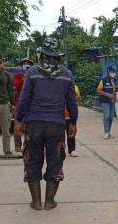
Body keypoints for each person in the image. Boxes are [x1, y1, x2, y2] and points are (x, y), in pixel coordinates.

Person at [15, 38, 78, 210]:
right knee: (55, 161)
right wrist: (73, 122)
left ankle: (36, 202)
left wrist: (19, 120)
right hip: (56, 125)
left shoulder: (33, 72)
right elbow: (71, 101)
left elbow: (24, 99)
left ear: (42, 55)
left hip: (34, 124)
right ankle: (49, 202)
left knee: (32, 160)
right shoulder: (67, 74)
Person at [13, 58, 33, 152]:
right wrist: (23, 78)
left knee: (29, 127)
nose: (26, 65)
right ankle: (17, 145)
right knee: (17, 127)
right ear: (21, 66)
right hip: (19, 103)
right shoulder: (17, 76)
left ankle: (28, 145)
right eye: (24, 63)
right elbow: (16, 86)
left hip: (30, 105)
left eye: (28, 64)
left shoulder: (33, 75)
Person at [97, 66, 118, 139]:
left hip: (112, 101)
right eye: (112, 72)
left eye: (114, 72)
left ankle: (109, 131)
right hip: (105, 101)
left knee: (111, 117)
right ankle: (106, 132)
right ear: (108, 72)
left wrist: (117, 93)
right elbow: (98, 90)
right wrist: (107, 95)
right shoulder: (103, 80)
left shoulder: (115, 80)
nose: (113, 74)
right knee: (106, 116)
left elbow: (117, 89)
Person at [65, 83, 81, 157]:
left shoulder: (75, 87)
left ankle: (72, 150)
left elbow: (78, 98)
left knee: (71, 132)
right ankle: (59, 149)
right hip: (58, 115)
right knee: (58, 134)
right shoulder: (57, 85)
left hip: (69, 116)